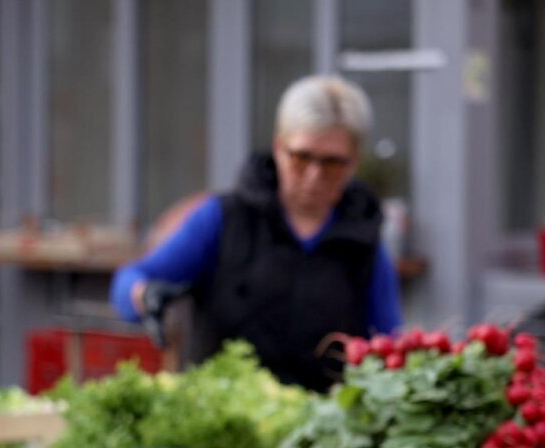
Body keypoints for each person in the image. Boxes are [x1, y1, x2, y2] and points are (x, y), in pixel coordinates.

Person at [111, 75, 403, 392]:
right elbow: (129, 281)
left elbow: (388, 344)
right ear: (279, 147)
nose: (314, 176)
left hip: (322, 428)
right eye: (301, 158)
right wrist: (143, 295)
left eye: (332, 163)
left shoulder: (364, 242)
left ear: (354, 162)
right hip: (223, 417)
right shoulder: (223, 219)